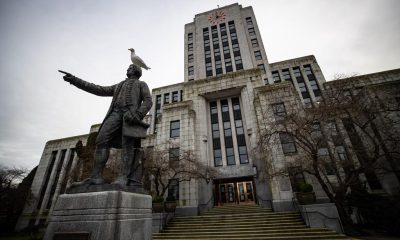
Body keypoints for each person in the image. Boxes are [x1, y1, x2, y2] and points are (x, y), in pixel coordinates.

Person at [61, 64, 152, 187]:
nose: (127, 69)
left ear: (136, 71)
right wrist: (75, 80)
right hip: (115, 114)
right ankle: (96, 177)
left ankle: (123, 177)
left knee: (128, 146)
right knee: (101, 141)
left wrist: (138, 114)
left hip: (130, 116)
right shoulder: (119, 85)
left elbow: (148, 101)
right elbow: (98, 89)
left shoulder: (141, 84)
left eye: (130, 67)